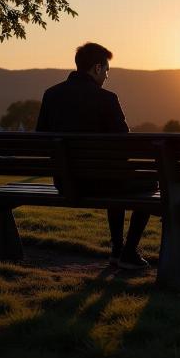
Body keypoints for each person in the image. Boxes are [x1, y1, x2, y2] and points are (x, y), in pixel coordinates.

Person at [36, 42, 151, 269]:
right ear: (97, 68)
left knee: (114, 176)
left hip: (65, 183)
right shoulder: (107, 99)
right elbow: (125, 143)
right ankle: (127, 251)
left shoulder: (51, 95)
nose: (107, 76)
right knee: (150, 183)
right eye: (106, 70)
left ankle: (118, 249)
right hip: (102, 183)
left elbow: (41, 138)